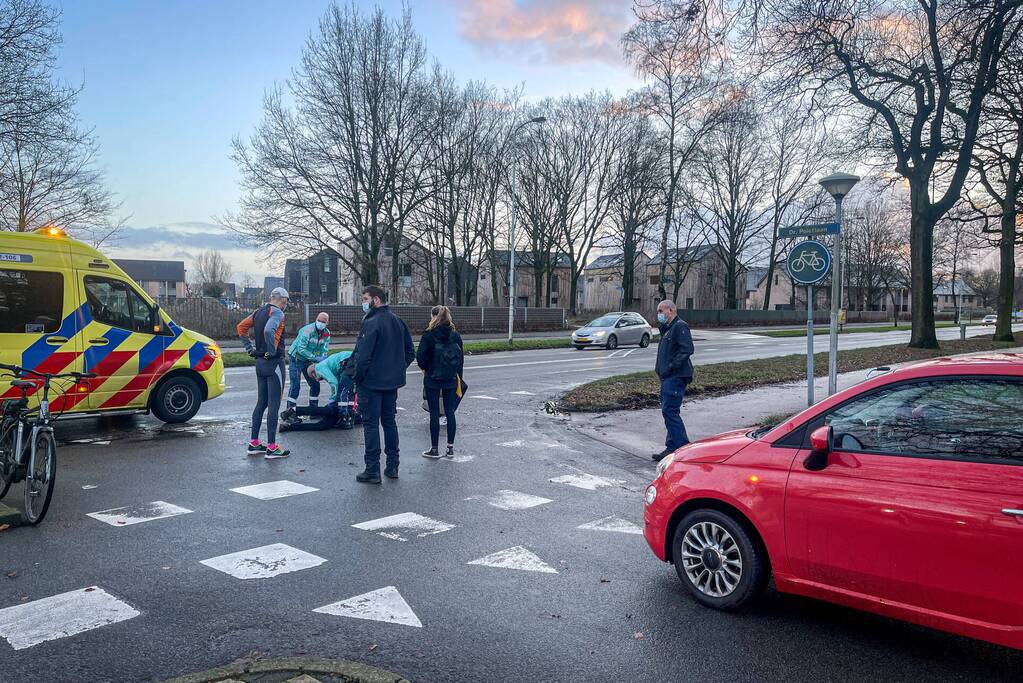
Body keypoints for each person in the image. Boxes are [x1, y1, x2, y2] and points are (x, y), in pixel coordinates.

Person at [353, 285, 415, 484]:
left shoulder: (371, 322)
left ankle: (372, 469)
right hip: (391, 383)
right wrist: (397, 369)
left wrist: (358, 377)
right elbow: (409, 352)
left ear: (376, 300)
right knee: (389, 422)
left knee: (371, 424)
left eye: (365, 298)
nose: (363, 302)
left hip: (371, 382)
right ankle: (392, 465)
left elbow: (362, 357)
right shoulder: (398, 321)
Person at [237, 287, 290, 459]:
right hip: (273, 363)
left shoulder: (258, 312)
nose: (286, 305)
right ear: (282, 300)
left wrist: (248, 348)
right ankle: (272, 447)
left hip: (259, 362)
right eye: (286, 302)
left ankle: (254, 443)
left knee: (261, 403)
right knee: (274, 404)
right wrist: (272, 349)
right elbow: (269, 330)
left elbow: (241, 327)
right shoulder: (278, 313)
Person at [416, 305, 464, 459]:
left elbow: (420, 358)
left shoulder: (429, 335)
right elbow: (460, 359)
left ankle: (434, 449)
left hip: (432, 379)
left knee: (434, 414)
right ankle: (450, 448)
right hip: (450, 378)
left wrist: (427, 369)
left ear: (433, 316)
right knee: (450, 413)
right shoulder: (455, 335)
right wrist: (458, 377)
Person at [653, 299, 694, 462]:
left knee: (670, 411)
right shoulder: (669, 329)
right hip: (667, 376)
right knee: (668, 410)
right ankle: (671, 447)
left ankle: (682, 447)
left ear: (671, 310)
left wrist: (671, 367)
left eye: (661, 311)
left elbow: (687, 349)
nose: (659, 315)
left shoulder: (679, 326)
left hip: (675, 376)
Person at [280, 351, 356, 432]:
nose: (316, 380)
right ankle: (292, 414)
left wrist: (333, 399)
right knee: (324, 417)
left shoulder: (319, 367)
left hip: (343, 410)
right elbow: (340, 385)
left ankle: (291, 420)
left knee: (322, 423)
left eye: (314, 377)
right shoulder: (326, 367)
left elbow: (334, 382)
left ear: (313, 372)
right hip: (343, 410)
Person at [281, 312, 331, 423]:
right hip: (296, 358)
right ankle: (289, 413)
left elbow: (324, 349)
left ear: (327, 323)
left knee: (315, 385)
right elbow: (300, 349)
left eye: (323, 321)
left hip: (308, 360)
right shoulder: (307, 330)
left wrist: (321, 360)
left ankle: (313, 412)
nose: (321, 323)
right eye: (319, 320)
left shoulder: (326, 333)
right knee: (295, 385)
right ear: (316, 319)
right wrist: (315, 357)